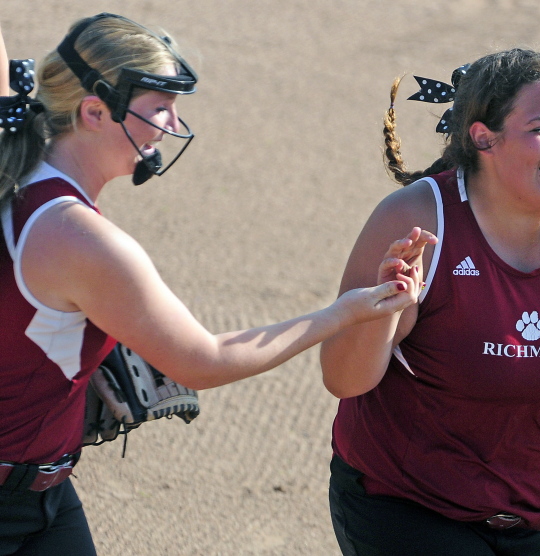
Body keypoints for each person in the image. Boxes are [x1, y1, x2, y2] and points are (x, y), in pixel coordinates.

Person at [0, 13, 431, 556]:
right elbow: (202, 360)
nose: (171, 125)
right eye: (160, 107)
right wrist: (342, 313)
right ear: (94, 111)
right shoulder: (82, 239)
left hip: (47, 494)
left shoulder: (16, 149)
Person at [320, 47, 540, 555]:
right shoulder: (417, 219)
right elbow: (343, 379)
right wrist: (382, 312)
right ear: (483, 137)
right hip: (405, 505)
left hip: (531, 510)